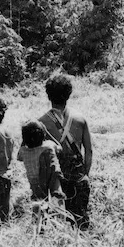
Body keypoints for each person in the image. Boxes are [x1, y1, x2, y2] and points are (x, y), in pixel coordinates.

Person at [39, 75, 93, 229]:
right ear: (69, 94)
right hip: (79, 177)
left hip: (56, 181)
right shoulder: (80, 119)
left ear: (48, 95)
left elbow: (37, 154)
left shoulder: (41, 122)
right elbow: (89, 150)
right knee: (81, 222)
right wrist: (85, 174)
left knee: (58, 223)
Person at [18, 120, 65, 205]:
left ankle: (38, 216)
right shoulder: (49, 145)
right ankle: (56, 191)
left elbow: (18, 158)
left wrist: (24, 141)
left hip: (35, 181)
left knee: (39, 202)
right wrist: (47, 133)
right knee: (52, 161)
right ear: (43, 134)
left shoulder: (23, 151)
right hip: (51, 178)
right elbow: (60, 149)